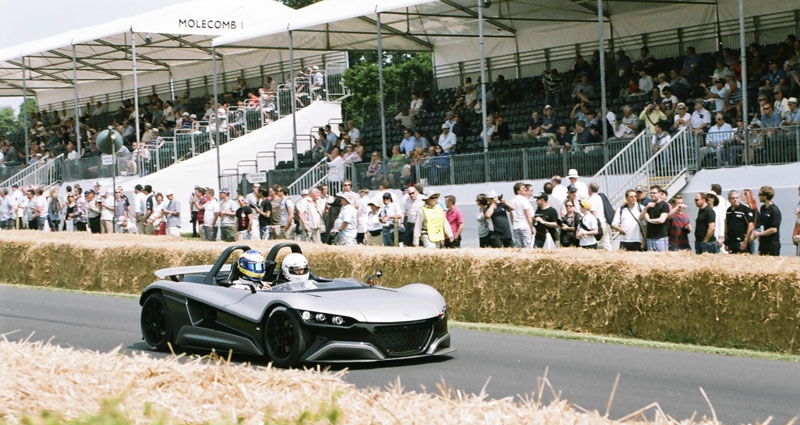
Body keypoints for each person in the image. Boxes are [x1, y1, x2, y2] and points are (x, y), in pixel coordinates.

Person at [754, 186, 781, 256]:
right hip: (763, 243)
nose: (758, 196)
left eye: (760, 194)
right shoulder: (763, 208)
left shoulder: (774, 210)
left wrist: (760, 234)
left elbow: (774, 229)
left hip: (772, 243)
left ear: (765, 196)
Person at [640, 185, 669, 252]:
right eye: (651, 193)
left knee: (662, 257)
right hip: (650, 237)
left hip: (661, 237)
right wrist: (646, 207)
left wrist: (649, 220)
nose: (652, 195)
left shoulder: (664, 205)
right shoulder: (649, 205)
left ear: (659, 193)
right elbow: (640, 218)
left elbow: (661, 220)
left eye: (654, 193)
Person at [725, 190, 755, 254]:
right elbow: (727, 225)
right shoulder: (728, 211)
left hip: (741, 241)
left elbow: (751, 225)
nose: (735, 200)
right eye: (733, 198)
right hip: (731, 241)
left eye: (737, 198)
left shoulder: (745, 210)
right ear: (729, 200)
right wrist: (725, 241)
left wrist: (745, 241)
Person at [509, 182, 534, 248]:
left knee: (518, 247)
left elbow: (511, 216)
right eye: (523, 188)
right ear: (518, 191)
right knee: (527, 246)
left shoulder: (512, 201)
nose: (525, 189)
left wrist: (514, 224)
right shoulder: (524, 200)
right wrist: (532, 226)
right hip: (525, 226)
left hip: (516, 227)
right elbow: (527, 214)